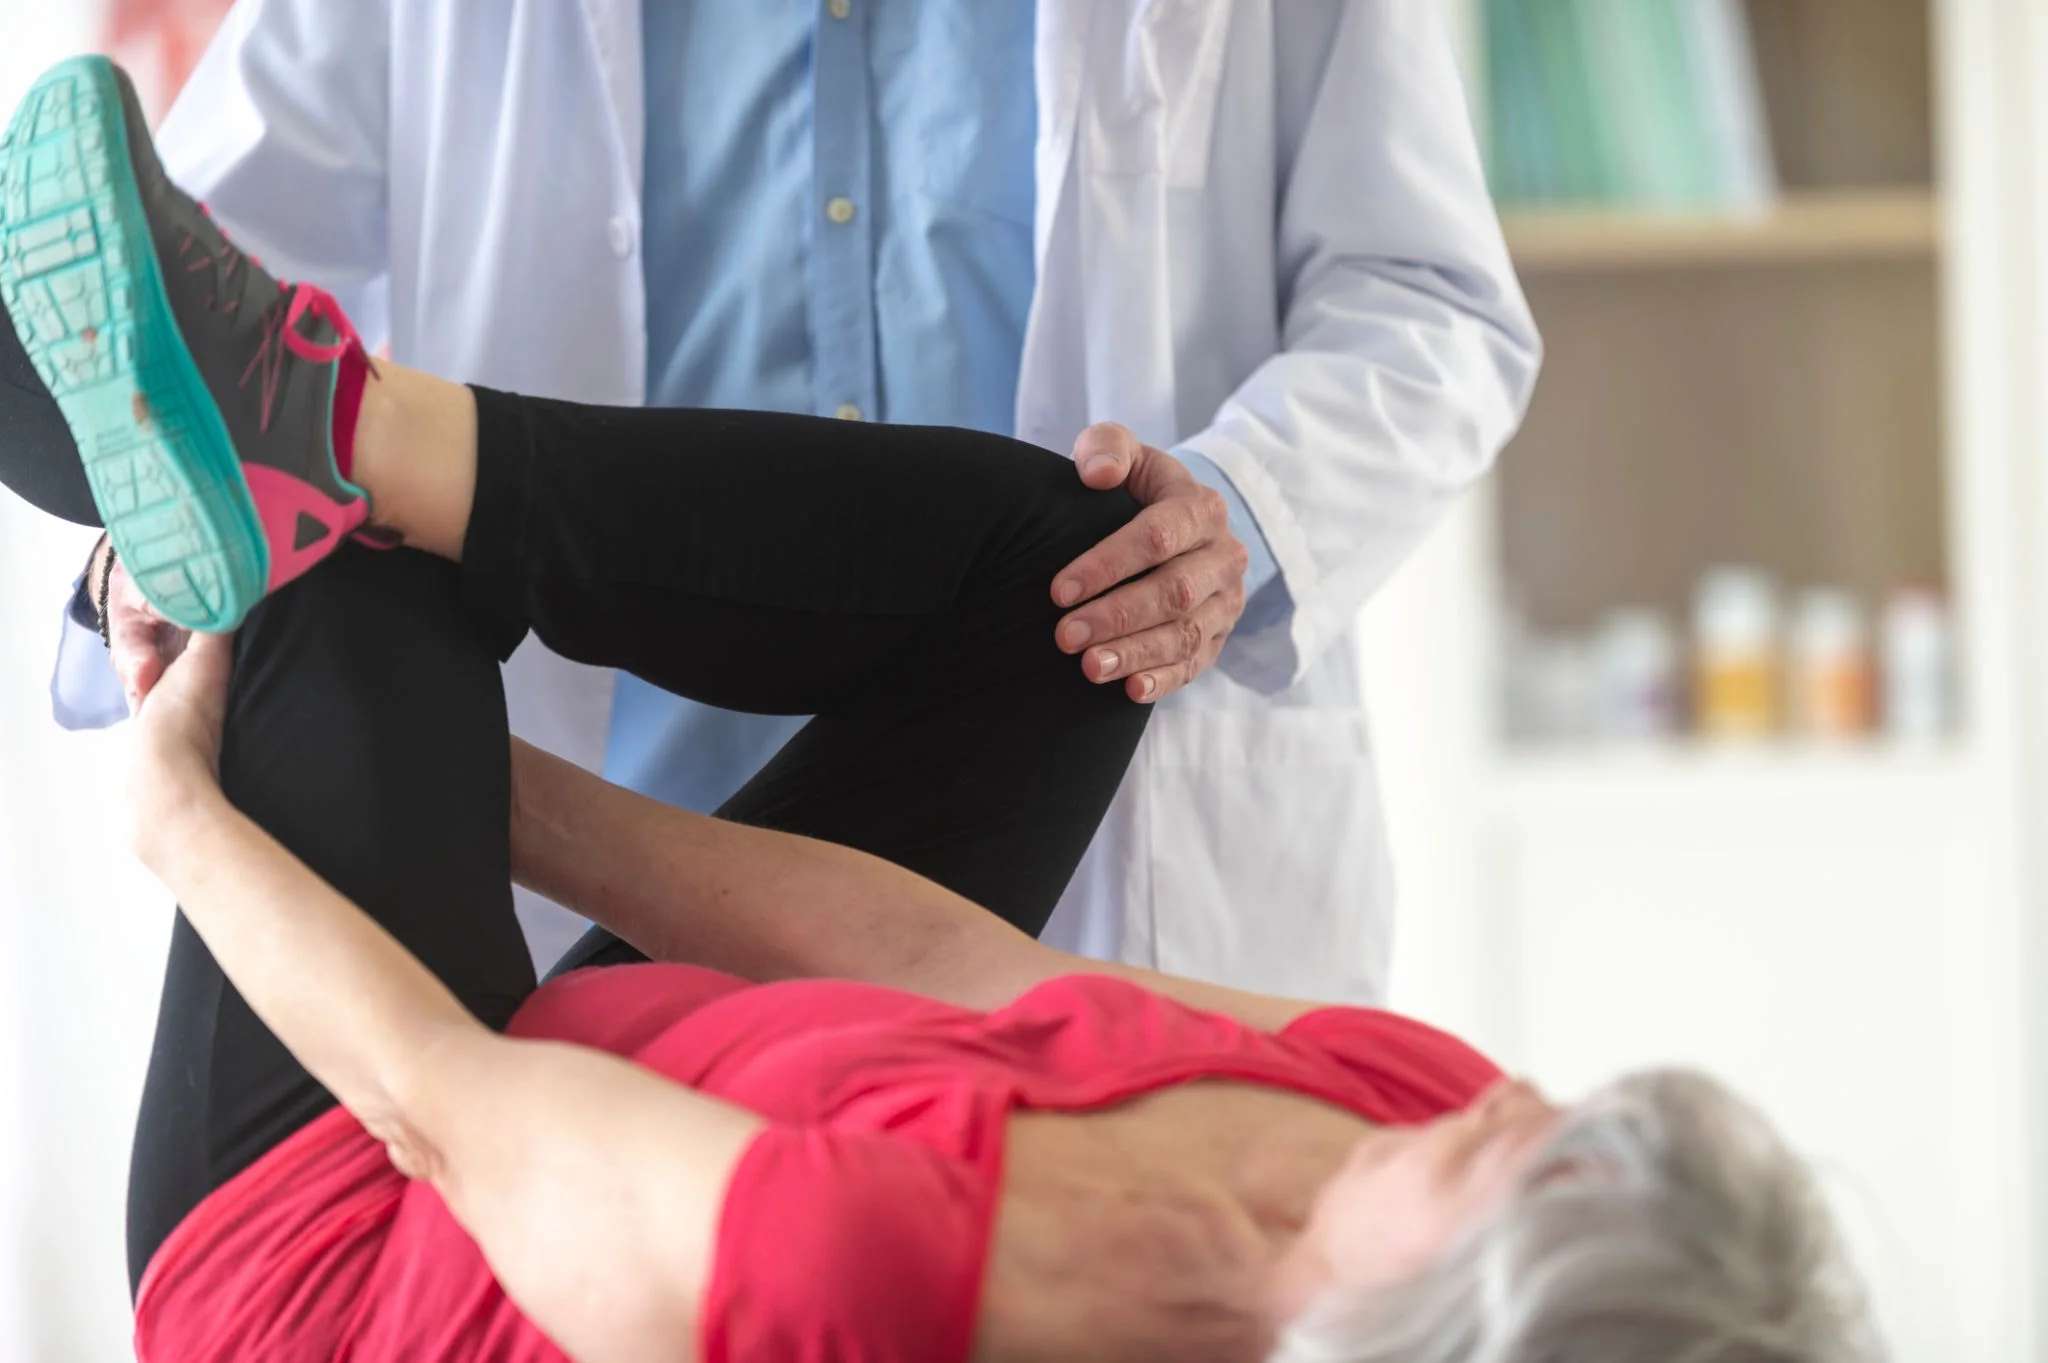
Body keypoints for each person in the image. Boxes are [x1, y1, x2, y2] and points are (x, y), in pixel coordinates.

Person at [4, 59, 1866, 1363]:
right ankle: (338, 433)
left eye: (1531, 1172)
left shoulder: (899, 1275)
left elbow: (451, 1102)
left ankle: (289, 470)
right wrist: (477, 789)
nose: (1518, 1104)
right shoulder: (1422, 1107)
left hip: (372, 1220)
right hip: (640, 1061)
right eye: (1579, 1117)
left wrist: (201, 818)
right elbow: (940, 959)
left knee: (349, 572)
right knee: (1076, 574)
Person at [33, 0, 1543, 1000]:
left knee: (1044, 563)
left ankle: (342, 435)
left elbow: (1430, 301)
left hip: (1069, 768)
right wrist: (138, 549)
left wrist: (1243, 507)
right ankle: (333, 441)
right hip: (603, 853)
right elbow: (181, 266)